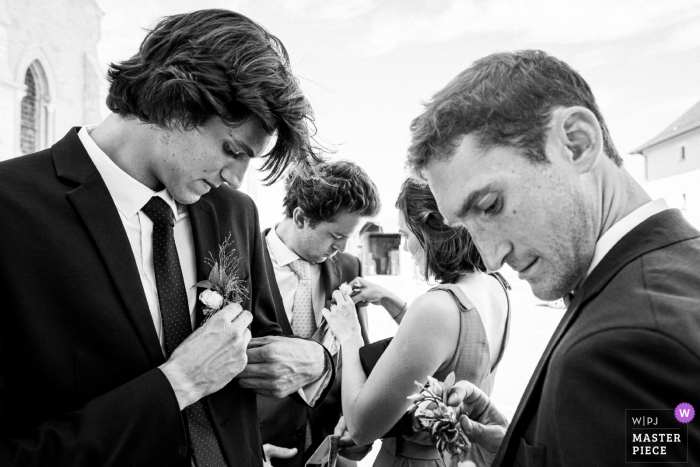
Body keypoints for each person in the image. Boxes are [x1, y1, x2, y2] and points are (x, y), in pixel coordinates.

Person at [0, 9, 334, 467]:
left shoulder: (234, 213)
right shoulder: (10, 210)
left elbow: (269, 342)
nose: (237, 179)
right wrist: (177, 383)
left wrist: (315, 361)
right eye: (232, 150)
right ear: (174, 102)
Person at [409, 50, 700, 466]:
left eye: (490, 205)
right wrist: (524, 451)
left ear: (577, 142)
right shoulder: (674, 272)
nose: (490, 258)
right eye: (467, 226)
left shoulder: (624, 345)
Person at [323, 178, 511, 467]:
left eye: (405, 234)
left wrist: (349, 335)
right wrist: (390, 300)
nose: (407, 247)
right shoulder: (496, 287)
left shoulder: (436, 308)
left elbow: (361, 427)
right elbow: (450, 348)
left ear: (429, 229)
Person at [258, 160, 381, 467]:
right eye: (335, 235)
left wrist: (355, 418)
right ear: (301, 216)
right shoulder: (242, 260)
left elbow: (358, 351)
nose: (343, 246)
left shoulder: (349, 267)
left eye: (348, 237)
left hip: (328, 444)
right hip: (261, 444)